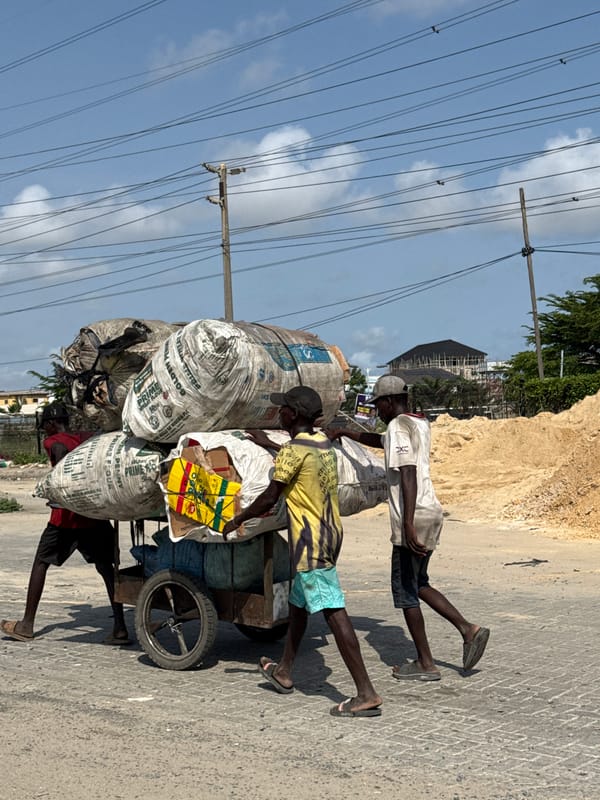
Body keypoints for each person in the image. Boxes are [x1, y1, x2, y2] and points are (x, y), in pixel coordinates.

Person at [222, 385, 382, 718]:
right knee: (299, 603)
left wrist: (237, 518)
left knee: (332, 609)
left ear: (293, 414)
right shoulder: (322, 443)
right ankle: (285, 670)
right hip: (331, 533)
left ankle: (365, 692)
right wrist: (267, 444)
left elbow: (270, 497)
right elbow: (294, 456)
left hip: (310, 541)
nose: (279, 413)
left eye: (283, 409)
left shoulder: (294, 451)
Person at [327, 374, 489, 681]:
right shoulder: (418, 423)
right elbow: (384, 444)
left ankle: (426, 663)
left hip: (414, 517)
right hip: (431, 512)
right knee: (420, 583)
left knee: (405, 592)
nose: (378, 412)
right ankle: (469, 629)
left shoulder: (398, 425)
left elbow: (408, 473)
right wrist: (347, 433)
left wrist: (407, 523)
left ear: (389, 402)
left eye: (379, 407)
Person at [1, 401, 130, 646]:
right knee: (107, 569)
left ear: (50, 424)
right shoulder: (84, 437)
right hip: (95, 515)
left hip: (66, 520)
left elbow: (59, 452)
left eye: (46, 425)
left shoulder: (52, 441)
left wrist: (63, 480)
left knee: (41, 563)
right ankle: (120, 628)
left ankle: (27, 624)